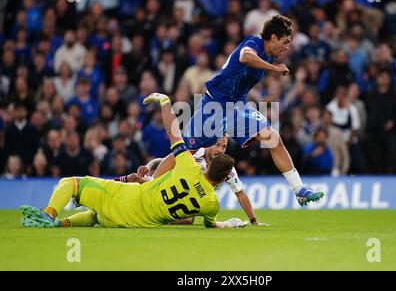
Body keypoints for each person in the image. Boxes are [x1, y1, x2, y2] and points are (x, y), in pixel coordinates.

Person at [20, 93, 248, 229]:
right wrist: (230, 224)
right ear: (224, 178)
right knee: (95, 216)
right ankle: (60, 224)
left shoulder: (189, 167)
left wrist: (165, 102)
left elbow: (174, 133)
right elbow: (210, 224)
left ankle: (49, 214)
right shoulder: (211, 204)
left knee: (71, 184)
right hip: (137, 222)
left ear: (208, 164)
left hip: (127, 199)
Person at [183, 15, 324, 206]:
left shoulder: (268, 56)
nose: (287, 47)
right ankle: (150, 182)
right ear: (273, 37)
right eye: (285, 41)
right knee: (184, 154)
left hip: (238, 108)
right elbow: (245, 57)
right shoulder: (254, 43)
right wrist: (274, 69)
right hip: (214, 105)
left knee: (273, 138)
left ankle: (299, 189)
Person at [120, 136, 264, 226]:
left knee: (188, 219)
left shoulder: (225, 168)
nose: (220, 150)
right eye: (217, 144)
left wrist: (253, 221)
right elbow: (166, 160)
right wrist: (149, 166)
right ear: (208, 143)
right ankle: (128, 185)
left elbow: (240, 193)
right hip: (172, 187)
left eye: (224, 146)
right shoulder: (193, 153)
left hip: (200, 201)